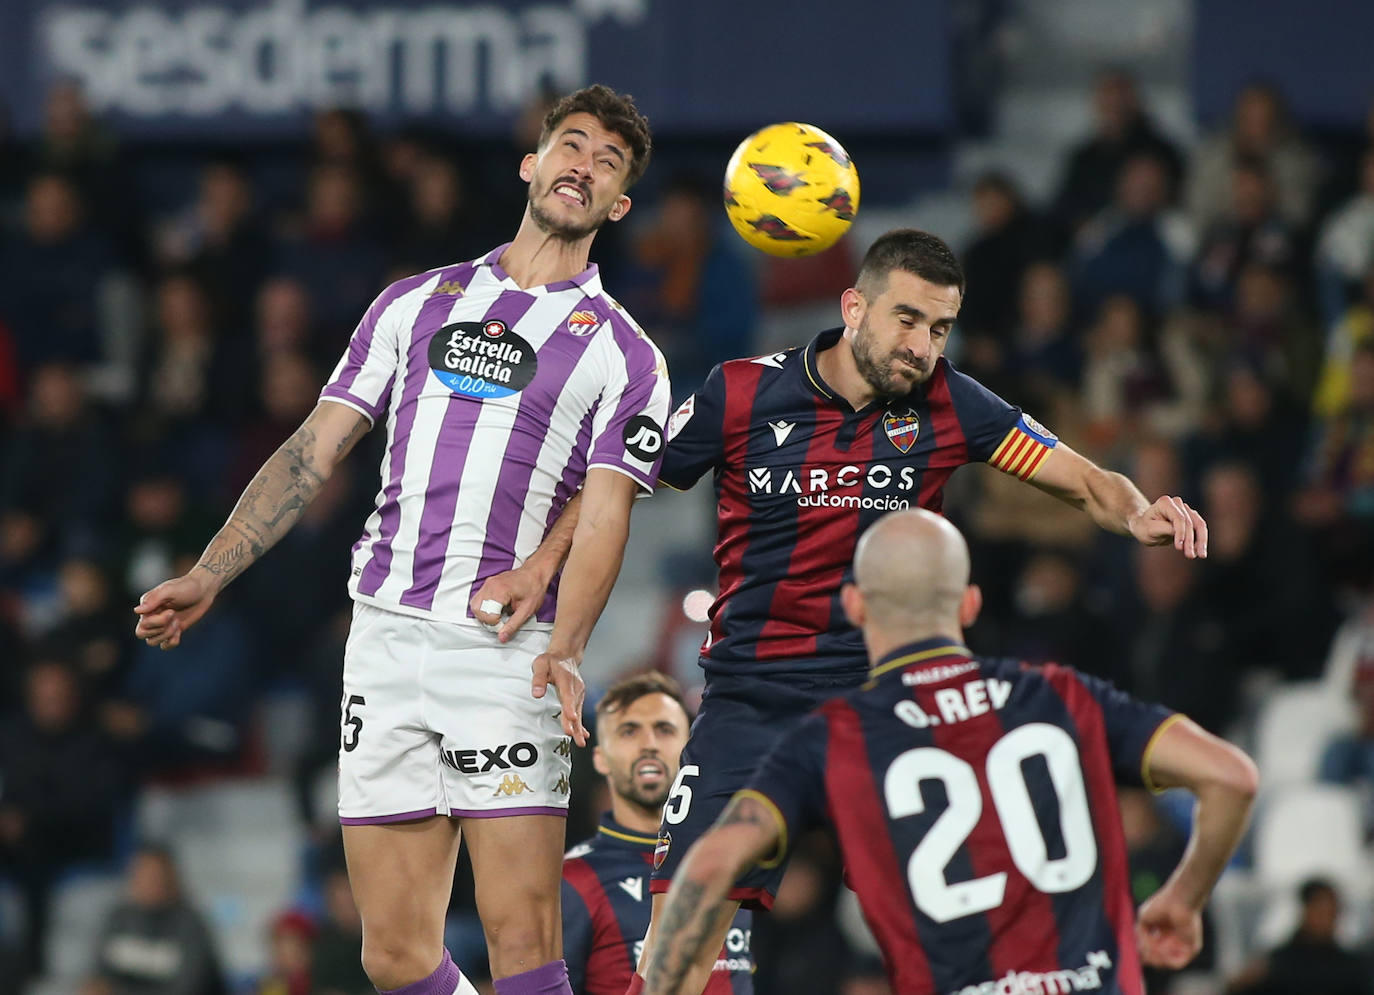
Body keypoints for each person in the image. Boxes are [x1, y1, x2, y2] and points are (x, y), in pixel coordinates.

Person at [476, 228, 1210, 994]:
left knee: (985, 952)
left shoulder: (951, 401)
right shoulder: (740, 392)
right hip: (748, 706)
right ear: (853, 306)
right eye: (907, 319)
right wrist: (541, 563)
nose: (922, 345)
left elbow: (1085, 479)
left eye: (939, 328)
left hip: (881, 710)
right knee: (674, 953)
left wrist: (1137, 512)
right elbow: (618, 485)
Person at [133, 84, 668, 995]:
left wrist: (568, 644)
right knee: (393, 954)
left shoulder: (626, 354)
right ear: (531, 164)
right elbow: (311, 448)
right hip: (381, 640)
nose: (583, 164)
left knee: (524, 948)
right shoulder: (414, 303)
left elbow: (609, 507)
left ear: (617, 205)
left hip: (503, 653)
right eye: (570, 145)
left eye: (607, 161)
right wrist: (210, 570)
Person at [643, 509, 1257, 994]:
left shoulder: (834, 736)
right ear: (969, 604)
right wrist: (1182, 900)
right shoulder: (1062, 697)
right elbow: (1231, 777)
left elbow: (707, 864)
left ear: (856, 606)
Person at [562, 672, 751, 994]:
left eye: (664, 730)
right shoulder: (572, 879)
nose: (649, 744)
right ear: (601, 758)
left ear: (688, 749)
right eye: (629, 731)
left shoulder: (732, 859)